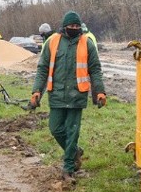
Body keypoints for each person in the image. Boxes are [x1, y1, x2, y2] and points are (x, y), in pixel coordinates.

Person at [31, 11, 106, 181]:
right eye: (71, 26)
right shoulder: (53, 42)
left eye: (77, 26)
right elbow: (42, 68)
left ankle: (68, 169)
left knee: (72, 132)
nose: (74, 29)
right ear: (64, 26)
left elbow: (95, 69)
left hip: (77, 95)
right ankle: (75, 151)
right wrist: (36, 91)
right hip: (56, 94)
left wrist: (100, 92)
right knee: (55, 128)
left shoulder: (87, 43)